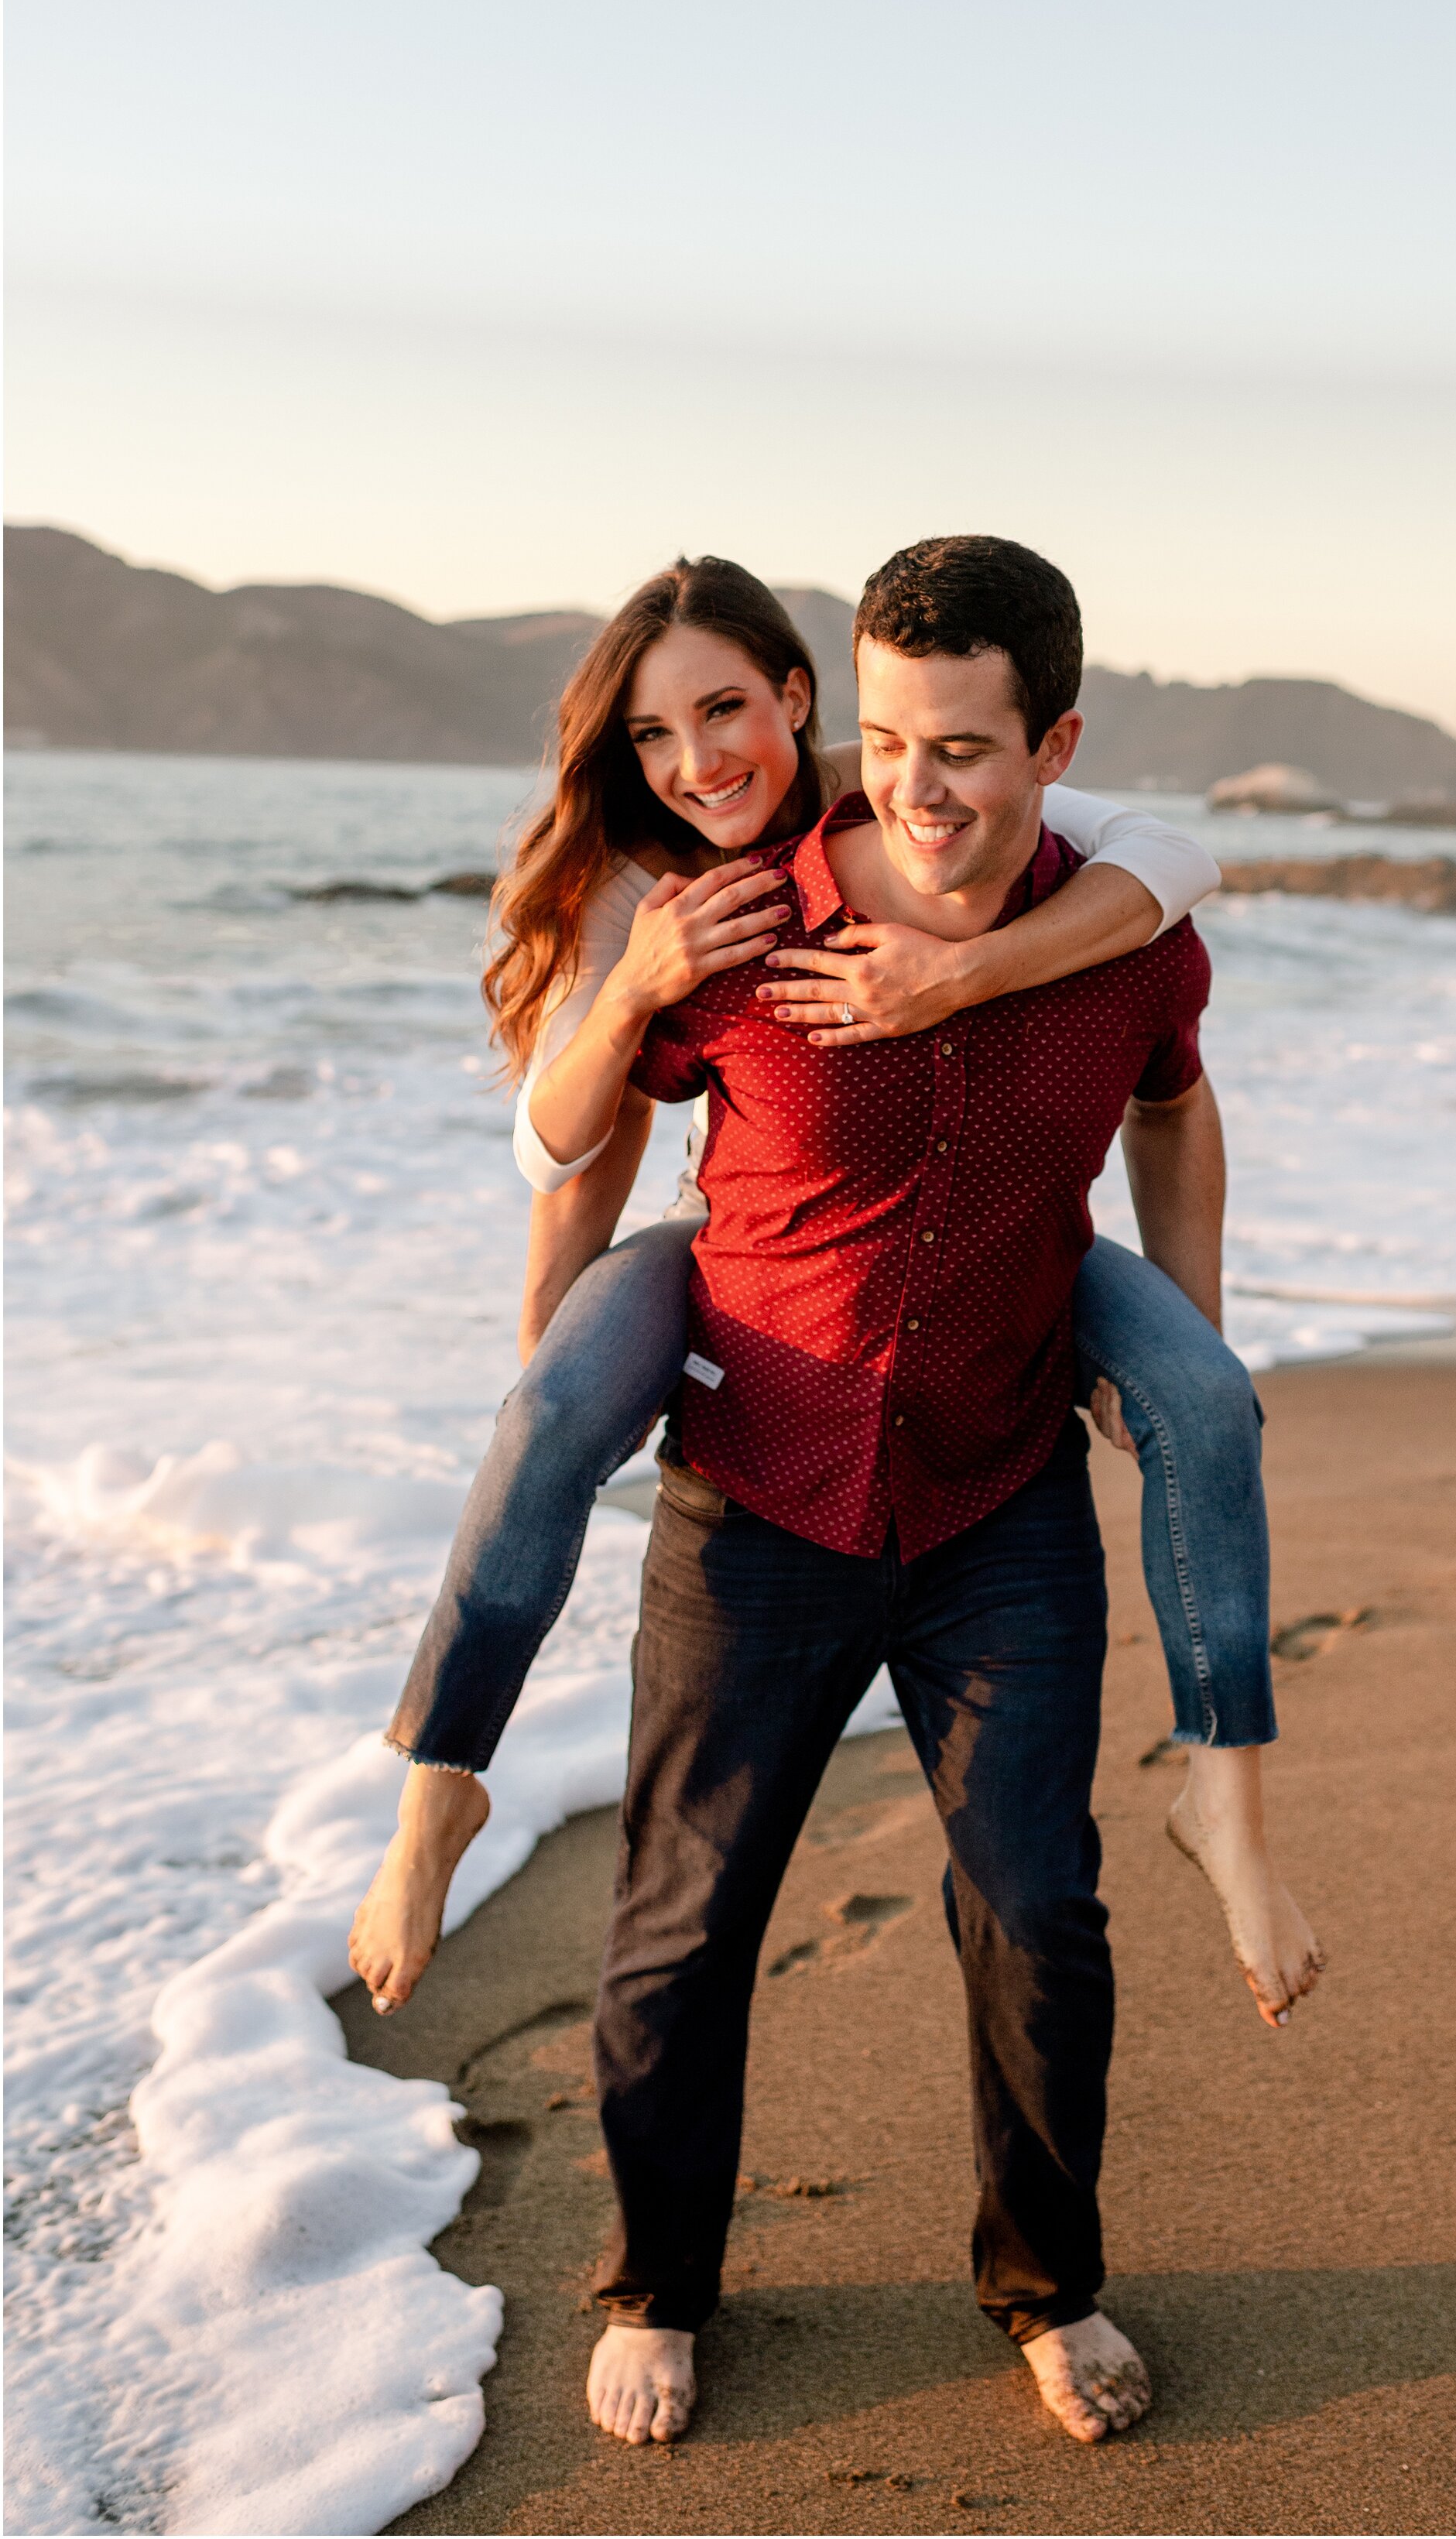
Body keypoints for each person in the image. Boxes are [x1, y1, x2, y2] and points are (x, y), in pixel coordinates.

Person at [350, 557, 1322, 2042]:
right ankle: (436, 1789)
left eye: (726, 710)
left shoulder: (929, 784)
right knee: (545, 1411)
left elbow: (1172, 862)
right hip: (724, 1244)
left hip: (1003, 1251)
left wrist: (967, 972)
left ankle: (1230, 1799)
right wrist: (553, 1350)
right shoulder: (656, 885)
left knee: (1202, 1395)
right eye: (654, 737)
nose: (699, 762)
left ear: (799, 702)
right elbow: (561, 1151)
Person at [586, 535, 1247, 2451]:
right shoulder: (744, 926)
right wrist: (555, 1357)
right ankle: (654, 2283)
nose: (917, 791)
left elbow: (1175, 1105)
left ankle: (1047, 2285)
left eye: (963, 747)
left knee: (1039, 1906)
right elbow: (583, 1120)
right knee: (680, 1922)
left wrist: (1177, 1342)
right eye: (883, 741)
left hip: (996, 1499)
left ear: (1052, 744)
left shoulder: (1129, 936)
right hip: (754, 1501)